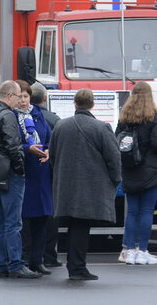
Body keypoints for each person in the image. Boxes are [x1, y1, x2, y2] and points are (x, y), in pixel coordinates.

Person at [49, 88, 122, 282]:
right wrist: (115, 180)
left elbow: (53, 155)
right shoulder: (101, 127)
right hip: (89, 185)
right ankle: (78, 268)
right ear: (92, 104)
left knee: (73, 225)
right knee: (82, 226)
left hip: (66, 184)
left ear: (75, 103)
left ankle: (75, 266)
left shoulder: (60, 126)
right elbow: (114, 158)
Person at [0, 80, 39, 279]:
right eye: (17, 96)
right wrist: (20, 169)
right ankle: (16, 264)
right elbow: (14, 147)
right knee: (14, 222)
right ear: (9, 96)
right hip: (10, 173)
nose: (19, 100)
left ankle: (0, 265)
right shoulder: (7, 116)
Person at [116, 81, 157, 265]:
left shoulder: (125, 117)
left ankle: (129, 250)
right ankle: (142, 251)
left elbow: (117, 140)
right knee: (146, 211)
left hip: (130, 169)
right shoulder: (153, 117)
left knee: (132, 212)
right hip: (150, 171)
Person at [17, 80, 53, 275]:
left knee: (42, 218)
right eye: (20, 96)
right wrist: (26, 149)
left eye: (26, 96)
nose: (23, 101)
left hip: (41, 173)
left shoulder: (37, 115)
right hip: (23, 173)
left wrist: (47, 151)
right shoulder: (12, 117)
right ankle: (21, 259)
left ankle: (37, 260)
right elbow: (10, 143)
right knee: (23, 220)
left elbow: (48, 137)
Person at [29, 83, 63, 268]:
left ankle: (32, 255)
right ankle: (49, 256)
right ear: (45, 99)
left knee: (31, 215)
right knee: (48, 214)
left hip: (33, 171)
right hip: (49, 171)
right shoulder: (54, 119)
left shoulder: (28, 117)